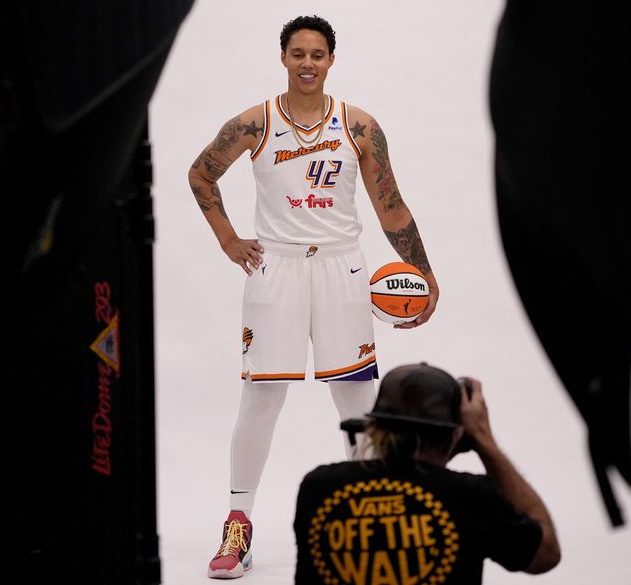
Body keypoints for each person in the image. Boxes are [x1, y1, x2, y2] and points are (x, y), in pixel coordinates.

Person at [187, 15, 440, 579]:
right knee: (261, 400)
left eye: (317, 54)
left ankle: (370, 523)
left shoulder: (359, 126)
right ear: (283, 58)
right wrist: (228, 239)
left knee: (356, 399)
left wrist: (423, 270)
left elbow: (390, 206)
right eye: (297, 53)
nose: (307, 63)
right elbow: (200, 174)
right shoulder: (255, 123)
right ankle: (238, 523)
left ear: (331, 60)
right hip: (273, 268)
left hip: (340, 268)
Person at [294, 363, 561, 584]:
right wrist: (483, 440)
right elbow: (546, 554)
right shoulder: (469, 496)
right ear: (456, 434)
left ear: (373, 426)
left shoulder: (319, 488)